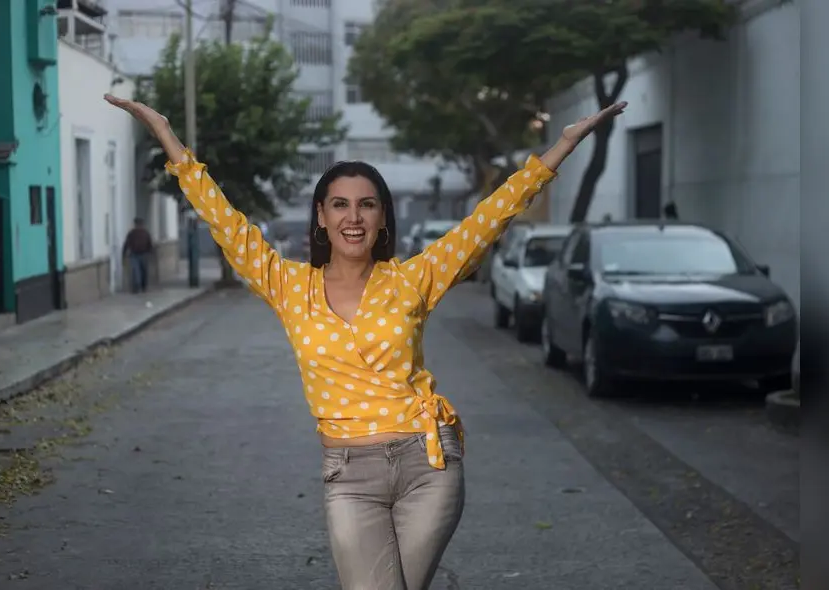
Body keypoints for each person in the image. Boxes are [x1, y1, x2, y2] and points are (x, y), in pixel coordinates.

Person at [105, 92, 626, 589]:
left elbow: (488, 219)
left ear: (381, 218)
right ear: (320, 216)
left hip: (430, 466)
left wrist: (560, 147)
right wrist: (168, 136)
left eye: (367, 205)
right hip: (349, 476)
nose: (353, 217)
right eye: (339, 205)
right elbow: (225, 221)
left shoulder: (414, 278)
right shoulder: (288, 285)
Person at [122, 217, 153, 293]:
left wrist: (150, 253)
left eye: (139, 224)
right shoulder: (132, 233)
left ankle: (143, 285)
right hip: (134, 255)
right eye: (137, 224)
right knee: (136, 271)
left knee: (143, 271)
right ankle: (137, 286)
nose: (139, 226)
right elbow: (127, 243)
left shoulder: (145, 233)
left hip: (143, 254)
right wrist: (124, 253)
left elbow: (149, 244)